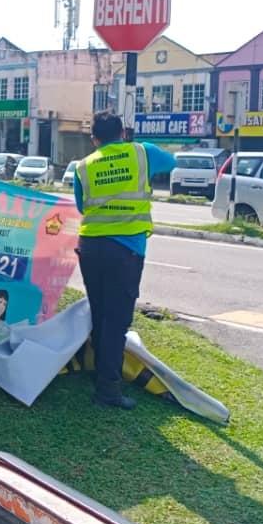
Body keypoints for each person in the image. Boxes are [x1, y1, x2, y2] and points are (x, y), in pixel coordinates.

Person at [73, 110, 176, 410]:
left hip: (90, 247)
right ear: (123, 133)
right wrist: (129, 145)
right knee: (116, 322)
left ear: (93, 139)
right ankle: (108, 391)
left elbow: (83, 206)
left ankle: (100, 373)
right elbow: (172, 162)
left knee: (101, 312)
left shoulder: (84, 165)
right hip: (126, 250)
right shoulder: (142, 153)